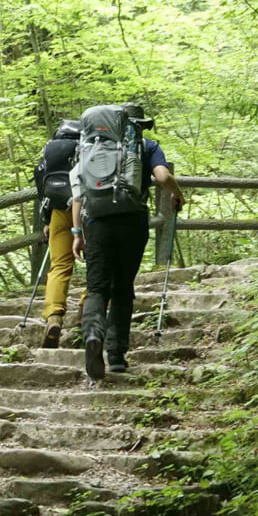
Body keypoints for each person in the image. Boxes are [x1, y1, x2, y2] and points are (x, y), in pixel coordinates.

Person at [72, 103, 184, 380]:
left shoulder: (91, 146)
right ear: (137, 125)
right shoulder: (147, 146)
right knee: (123, 287)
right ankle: (117, 355)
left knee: (97, 287)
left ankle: (92, 335)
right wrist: (177, 194)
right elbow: (163, 176)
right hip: (132, 221)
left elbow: (77, 193)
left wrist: (77, 233)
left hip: (97, 222)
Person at [32, 120, 81, 348]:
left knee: (59, 265)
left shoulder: (50, 149)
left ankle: (53, 317)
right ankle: (86, 311)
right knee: (96, 263)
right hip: (82, 211)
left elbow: (41, 183)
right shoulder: (85, 146)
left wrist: (45, 218)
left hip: (57, 212)